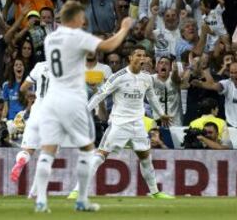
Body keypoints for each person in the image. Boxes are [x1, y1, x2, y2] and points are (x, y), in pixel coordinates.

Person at [33, 1, 133, 213]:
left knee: (48, 149)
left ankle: (41, 200)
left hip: (51, 99)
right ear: (75, 19)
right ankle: (82, 200)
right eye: (81, 18)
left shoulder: (50, 38)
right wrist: (124, 28)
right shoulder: (77, 36)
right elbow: (108, 46)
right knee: (88, 149)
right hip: (72, 99)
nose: (84, 21)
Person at [67, 45, 174, 200]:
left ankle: (155, 192)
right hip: (119, 123)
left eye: (143, 55)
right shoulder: (119, 76)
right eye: (137, 55)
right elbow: (100, 95)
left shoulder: (147, 78)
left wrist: (161, 114)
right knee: (100, 156)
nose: (141, 58)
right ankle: (77, 190)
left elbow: (151, 97)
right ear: (130, 58)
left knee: (145, 158)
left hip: (138, 124)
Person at [9, 61, 49, 200]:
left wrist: (32, 94)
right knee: (47, 155)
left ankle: (21, 161)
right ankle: (34, 192)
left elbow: (23, 88)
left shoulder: (39, 66)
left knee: (27, 150)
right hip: (52, 115)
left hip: (36, 111)